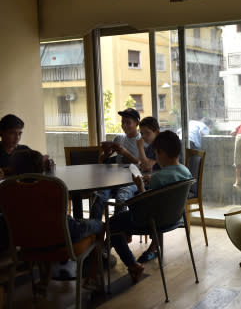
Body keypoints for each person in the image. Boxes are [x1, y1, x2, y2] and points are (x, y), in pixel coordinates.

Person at [8, 149, 104, 293]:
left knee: (40, 228)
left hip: (27, 244)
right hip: (62, 239)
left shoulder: (8, 190)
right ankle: (91, 278)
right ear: (42, 168)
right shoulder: (51, 187)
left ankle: (44, 281)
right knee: (99, 225)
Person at [107, 130, 192, 281]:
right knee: (120, 219)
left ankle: (133, 265)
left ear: (162, 153)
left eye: (156, 153)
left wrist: (140, 186)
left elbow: (144, 204)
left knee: (112, 223)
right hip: (175, 218)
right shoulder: (186, 172)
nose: (156, 157)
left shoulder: (159, 177)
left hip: (152, 221)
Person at [91, 108, 143, 220]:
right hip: (115, 178)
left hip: (134, 178)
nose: (124, 125)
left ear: (137, 123)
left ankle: (120, 234)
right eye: (122, 122)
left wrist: (125, 152)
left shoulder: (142, 141)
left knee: (121, 199)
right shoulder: (119, 138)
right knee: (99, 197)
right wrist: (107, 153)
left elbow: (142, 165)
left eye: (128, 122)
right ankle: (94, 233)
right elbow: (101, 160)